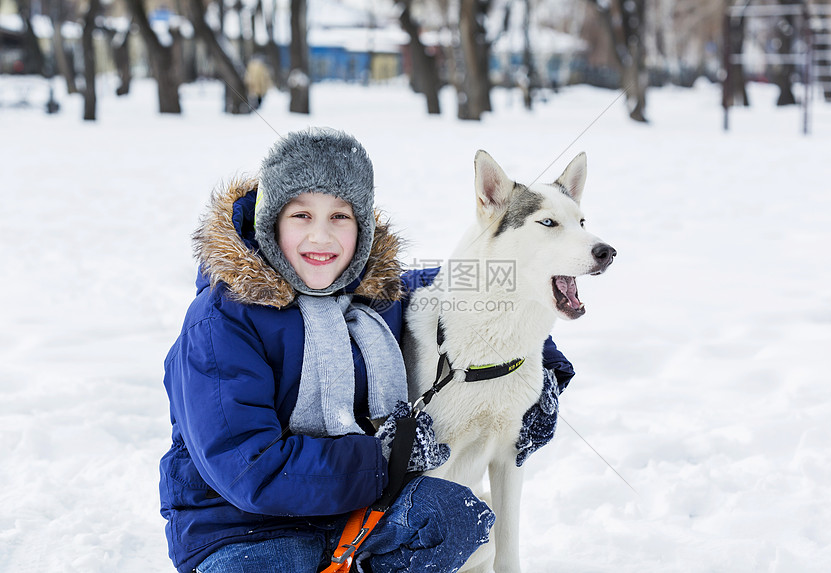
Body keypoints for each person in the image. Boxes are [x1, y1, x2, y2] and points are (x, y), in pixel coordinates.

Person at [159, 128, 574, 573]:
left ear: (361, 227)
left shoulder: (378, 294)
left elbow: (474, 291)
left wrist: (539, 369)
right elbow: (250, 469)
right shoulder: (223, 320)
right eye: (301, 215)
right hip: (247, 532)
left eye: (340, 217)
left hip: (355, 519)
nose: (322, 237)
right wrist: (384, 458)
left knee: (453, 515)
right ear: (270, 221)